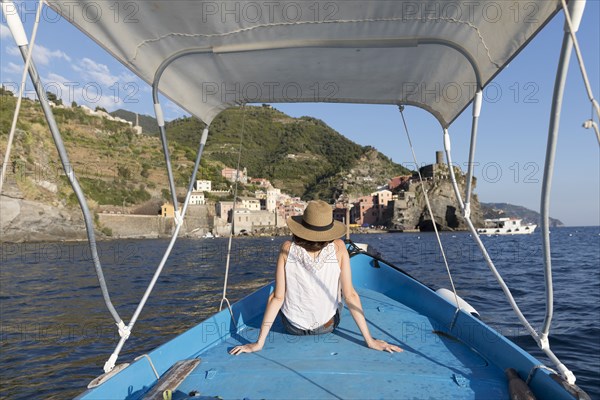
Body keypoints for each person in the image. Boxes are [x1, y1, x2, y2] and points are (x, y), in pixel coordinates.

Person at [230, 200, 402, 355]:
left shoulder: (287, 248)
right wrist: (370, 341)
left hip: (293, 328)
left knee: (276, 294)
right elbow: (350, 296)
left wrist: (259, 343)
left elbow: (277, 297)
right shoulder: (339, 247)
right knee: (342, 291)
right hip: (327, 326)